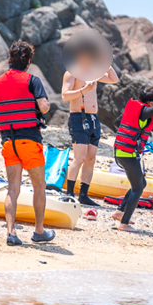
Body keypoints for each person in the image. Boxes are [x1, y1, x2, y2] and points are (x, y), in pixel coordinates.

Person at [0, 40, 56, 247]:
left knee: (13, 189)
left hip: (8, 141)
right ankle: (39, 231)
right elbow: (44, 107)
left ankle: (11, 232)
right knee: (39, 186)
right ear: (28, 61)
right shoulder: (32, 80)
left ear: (10, 59)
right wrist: (45, 105)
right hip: (29, 140)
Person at [61, 30, 119, 206]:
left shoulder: (94, 72)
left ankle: (84, 195)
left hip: (94, 119)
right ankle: (69, 193)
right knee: (79, 157)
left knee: (91, 157)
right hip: (79, 117)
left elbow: (114, 79)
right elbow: (64, 95)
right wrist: (83, 90)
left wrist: (105, 62)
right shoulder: (72, 73)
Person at [112, 83, 153, 230]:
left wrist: (132, 136)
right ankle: (123, 223)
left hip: (120, 152)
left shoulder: (133, 108)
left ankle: (120, 211)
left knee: (140, 184)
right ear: (150, 102)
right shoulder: (144, 112)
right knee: (138, 188)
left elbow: (117, 122)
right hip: (128, 154)